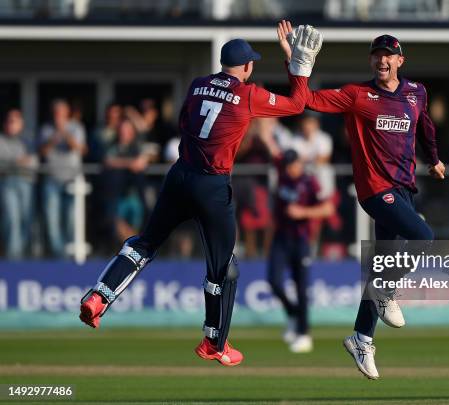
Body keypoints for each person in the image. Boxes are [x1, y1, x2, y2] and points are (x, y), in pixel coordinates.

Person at [78, 22, 323, 367]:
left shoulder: (197, 85)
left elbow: (184, 123)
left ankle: (99, 297)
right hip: (212, 185)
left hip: (179, 175)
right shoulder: (248, 94)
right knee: (224, 268)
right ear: (248, 67)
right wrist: (296, 62)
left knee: (145, 243)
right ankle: (214, 342)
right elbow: (298, 104)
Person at [278, 25, 445, 379]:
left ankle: (361, 337)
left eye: (389, 55)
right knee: (423, 236)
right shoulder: (357, 96)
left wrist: (434, 158)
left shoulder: (416, 92)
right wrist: (297, 63)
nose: (382, 60)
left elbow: (425, 125)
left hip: (403, 188)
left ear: (400, 60)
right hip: (374, 189)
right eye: (376, 55)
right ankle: (386, 290)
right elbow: (305, 100)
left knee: (381, 264)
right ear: (371, 60)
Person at [267, 149, 334, 353]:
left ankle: (304, 335)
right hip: (280, 237)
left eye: (292, 164)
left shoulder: (309, 182)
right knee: (274, 282)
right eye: (286, 165)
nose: (289, 168)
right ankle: (293, 314)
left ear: (299, 163)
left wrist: (302, 212)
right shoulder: (282, 176)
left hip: (301, 240)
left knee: (301, 288)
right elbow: (272, 147)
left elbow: (328, 209)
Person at [39, 99, 88, 258]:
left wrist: (64, 132)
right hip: (52, 179)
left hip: (72, 180)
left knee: (71, 220)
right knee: (52, 221)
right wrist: (55, 136)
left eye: (61, 112)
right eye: (55, 112)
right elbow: (42, 153)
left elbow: (81, 149)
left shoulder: (76, 128)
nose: (58, 115)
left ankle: (70, 256)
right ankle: (59, 256)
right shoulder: (46, 129)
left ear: (67, 113)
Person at [0, 109, 38, 259]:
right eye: (9, 121)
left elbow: (34, 162)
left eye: (15, 121)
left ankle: (23, 254)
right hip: (8, 181)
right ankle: (14, 257)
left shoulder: (28, 141)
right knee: (12, 218)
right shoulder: (1, 140)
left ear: (21, 124)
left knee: (26, 220)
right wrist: (18, 162)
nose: (11, 125)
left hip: (27, 182)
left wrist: (14, 162)